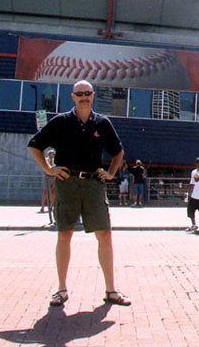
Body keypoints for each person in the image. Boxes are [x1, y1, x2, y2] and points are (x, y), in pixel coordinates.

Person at [27, 79, 131, 307]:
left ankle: (111, 290)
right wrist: (48, 169)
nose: (84, 96)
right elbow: (35, 145)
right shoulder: (60, 122)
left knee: (104, 234)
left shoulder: (102, 123)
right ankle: (61, 289)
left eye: (87, 93)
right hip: (68, 183)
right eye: (79, 93)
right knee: (64, 233)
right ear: (72, 97)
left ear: (93, 95)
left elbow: (118, 151)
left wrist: (111, 173)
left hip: (94, 184)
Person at [40, 149, 56, 216]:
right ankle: (43, 206)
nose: (52, 155)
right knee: (45, 191)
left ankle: (51, 206)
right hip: (47, 176)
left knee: (52, 192)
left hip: (53, 177)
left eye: (53, 154)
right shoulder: (46, 160)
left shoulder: (55, 161)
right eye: (51, 154)